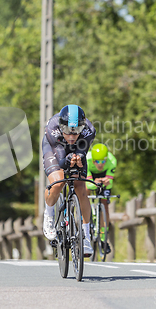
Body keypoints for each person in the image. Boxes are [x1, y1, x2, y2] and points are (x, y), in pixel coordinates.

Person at [42, 104, 96, 256]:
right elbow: (61, 162)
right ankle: (49, 215)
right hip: (54, 149)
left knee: (81, 188)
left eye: (76, 131)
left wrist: (79, 158)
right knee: (59, 182)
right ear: (61, 126)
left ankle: (86, 237)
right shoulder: (52, 128)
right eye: (67, 131)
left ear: (82, 127)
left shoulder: (89, 130)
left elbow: (83, 151)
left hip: (77, 149)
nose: (71, 136)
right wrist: (68, 160)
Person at [86, 143, 117, 254]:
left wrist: (106, 182)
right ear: (93, 160)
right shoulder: (87, 159)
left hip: (104, 178)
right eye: (97, 162)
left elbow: (110, 184)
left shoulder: (112, 161)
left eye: (103, 161)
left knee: (105, 203)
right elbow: (88, 185)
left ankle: (104, 239)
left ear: (106, 159)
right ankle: (85, 215)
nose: (100, 165)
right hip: (90, 177)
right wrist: (94, 183)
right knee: (84, 192)